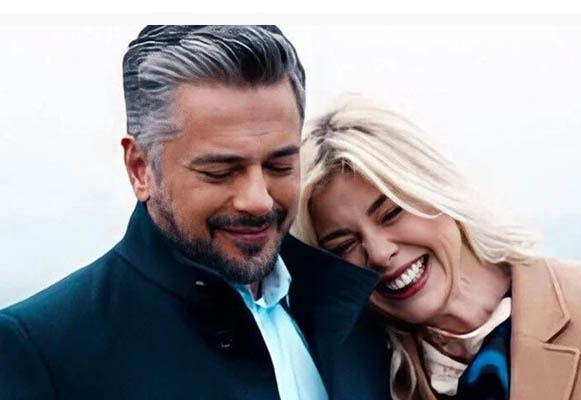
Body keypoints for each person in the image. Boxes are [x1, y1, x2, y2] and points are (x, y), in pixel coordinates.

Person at [0, 26, 390, 400]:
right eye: (220, 172)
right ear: (140, 169)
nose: (258, 200)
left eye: (280, 166)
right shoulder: (41, 349)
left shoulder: (359, 307)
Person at [293, 95, 581, 400]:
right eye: (344, 245)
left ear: (437, 188)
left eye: (391, 213)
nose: (380, 253)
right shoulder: (358, 378)